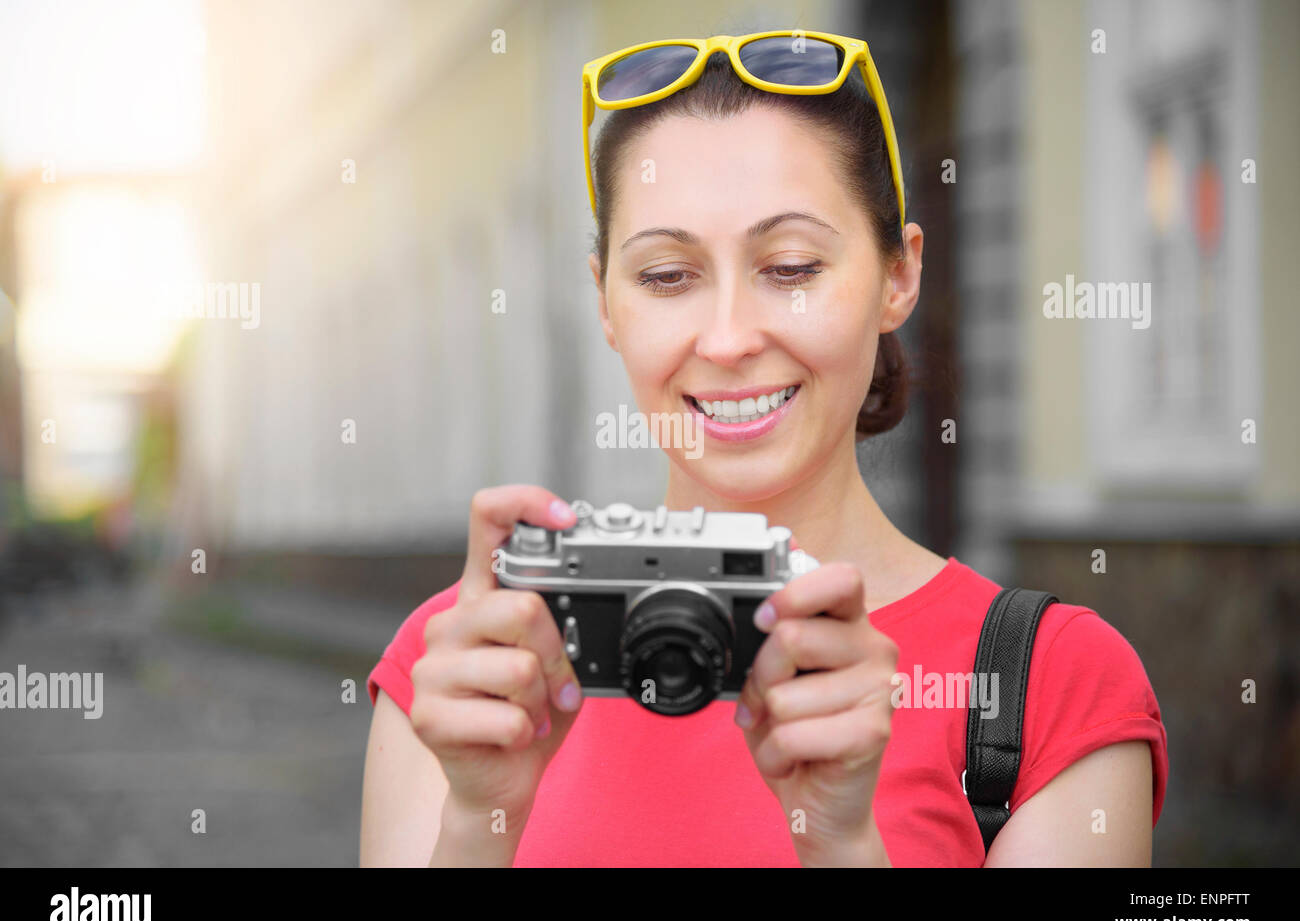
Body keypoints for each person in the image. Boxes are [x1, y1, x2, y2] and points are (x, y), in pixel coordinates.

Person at [359, 31, 1168, 867]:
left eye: (789, 266)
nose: (729, 337)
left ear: (899, 275)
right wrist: (478, 824)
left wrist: (841, 842)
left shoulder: (1054, 689)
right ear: (604, 301)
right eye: (667, 276)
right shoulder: (469, 665)